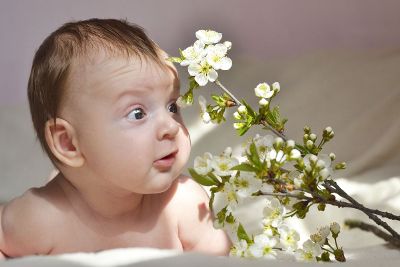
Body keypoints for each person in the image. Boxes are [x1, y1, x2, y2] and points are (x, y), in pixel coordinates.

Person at [0, 18, 231, 258]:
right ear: (69, 143)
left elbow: (225, 260)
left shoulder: (184, 204)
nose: (170, 127)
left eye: (172, 106)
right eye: (137, 113)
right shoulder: (40, 218)